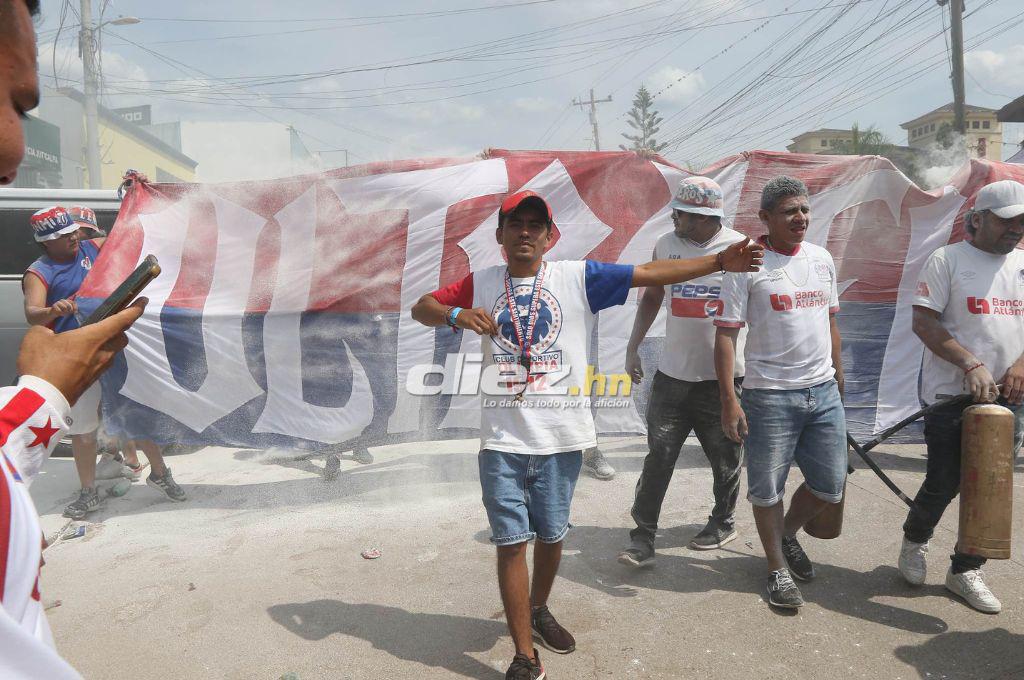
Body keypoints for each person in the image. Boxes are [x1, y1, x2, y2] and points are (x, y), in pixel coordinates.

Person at [412, 190, 763, 679]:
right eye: (515, 224)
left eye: (535, 225)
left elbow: (650, 274)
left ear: (550, 237)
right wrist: (455, 314)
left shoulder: (577, 277)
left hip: (561, 438)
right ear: (500, 236)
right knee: (511, 543)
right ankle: (524, 656)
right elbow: (422, 306)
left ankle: (538, 609)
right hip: (503, 442)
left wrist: (718, 262)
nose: (525, 232)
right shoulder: (483, 282)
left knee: (551, 536)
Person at [0, 3, 142, 676]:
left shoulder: (85, 248)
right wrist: (52, 318)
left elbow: (115, 241)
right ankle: (88, 485)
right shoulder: (38, 269)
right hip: (64, 364)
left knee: (128, 422)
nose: (16, 148)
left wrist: (126, 199)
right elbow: (33, 315)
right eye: (15, 104)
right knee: (82, 431)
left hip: (82, 365)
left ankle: (145, 467)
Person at [714, 175, 846, 610]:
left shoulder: (821, 258)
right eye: (790, 211)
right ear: (765, 218)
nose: (800, 217)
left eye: (805, 209)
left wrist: (838, 376)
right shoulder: (746, 264)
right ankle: (776, 569)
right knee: (767, 489)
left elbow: (830, 321)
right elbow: (726, 336)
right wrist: (729, 400)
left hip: (822, 391)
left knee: (830, 485)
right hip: (769, 396)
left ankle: (786, 534)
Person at [897, 180, 1024, 613]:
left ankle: (966, 570)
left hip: (1009, 399)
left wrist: (1020, 366)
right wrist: (970, 364)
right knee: (944, 481)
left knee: (991, 486)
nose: (1015, 228)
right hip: (952, 395)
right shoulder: (947, 260)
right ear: (978, 219)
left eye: (1021, 221)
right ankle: (915, 541)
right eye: (1006, 220)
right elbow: (924, 322)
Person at [618, 177, 746, 567]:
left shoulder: (740, 249)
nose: (674, 218)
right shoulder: (666, 244)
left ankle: (723, 522)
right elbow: (652, 295)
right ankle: (642, 537)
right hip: (672, 377)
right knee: (659, 456)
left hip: (723, 382)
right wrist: (633, 346)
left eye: (682, 214)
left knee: (726, 459)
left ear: (705, 217)